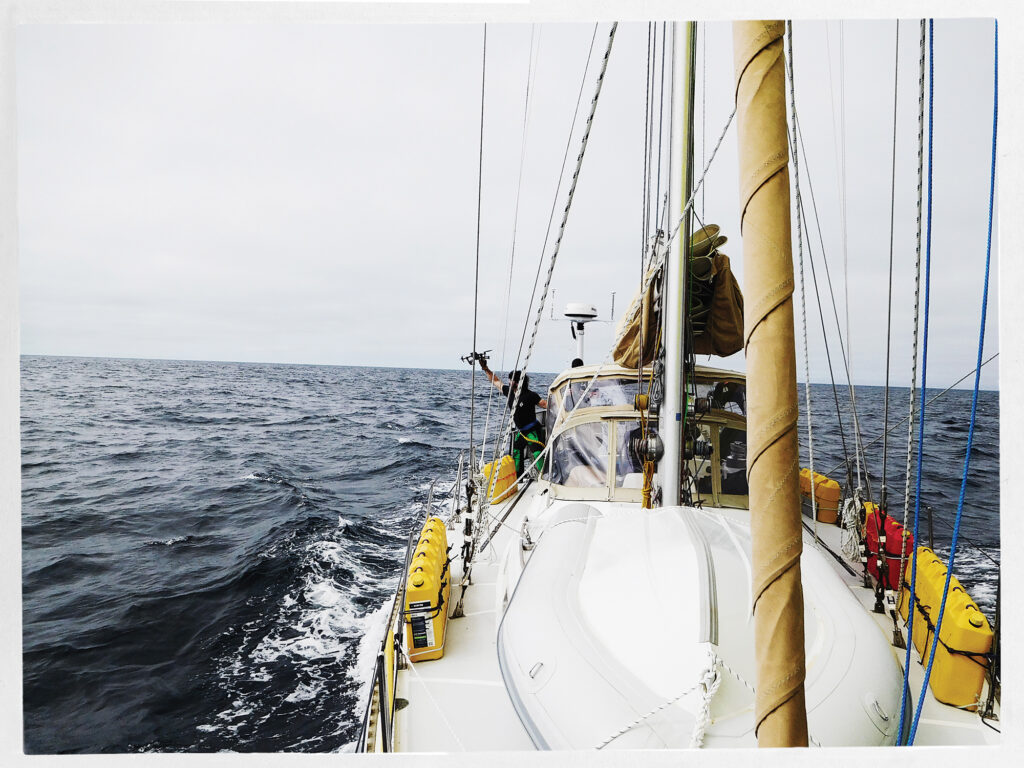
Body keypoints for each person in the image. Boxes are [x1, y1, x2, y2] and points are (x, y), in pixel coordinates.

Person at [477, 357, 548, 476]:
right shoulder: (509, 392)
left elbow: (545, 404)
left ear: (518, 382)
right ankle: (518, 476)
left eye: (512, 380)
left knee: (537, 454)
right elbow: (495, 381)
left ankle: (545, 477)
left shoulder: (530, 395)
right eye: (510, 379)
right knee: (516, 452)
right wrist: (485, 368)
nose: (510, 382)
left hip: (532, 431)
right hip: (521, 432)